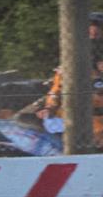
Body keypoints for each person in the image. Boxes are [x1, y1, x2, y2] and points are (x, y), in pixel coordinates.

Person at [36, 12, 103, 147]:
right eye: (90, 27)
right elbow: (57, 89)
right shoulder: (72, 62)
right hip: (79, 115)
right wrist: (50, 107)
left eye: (98, 27)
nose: (93, 31)